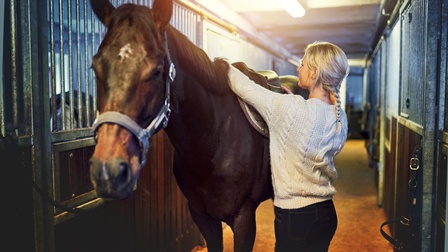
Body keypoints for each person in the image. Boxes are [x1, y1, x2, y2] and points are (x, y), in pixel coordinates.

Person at [226, 41, 349, 252]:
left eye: (302, 64)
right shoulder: (340, 117)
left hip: (295, 218)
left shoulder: (289, 110)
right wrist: (292, 104)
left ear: (314, 72)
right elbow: (308, 123)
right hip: (326, 215)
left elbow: (244, 87)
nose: (298, 69)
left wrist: (222, 64)